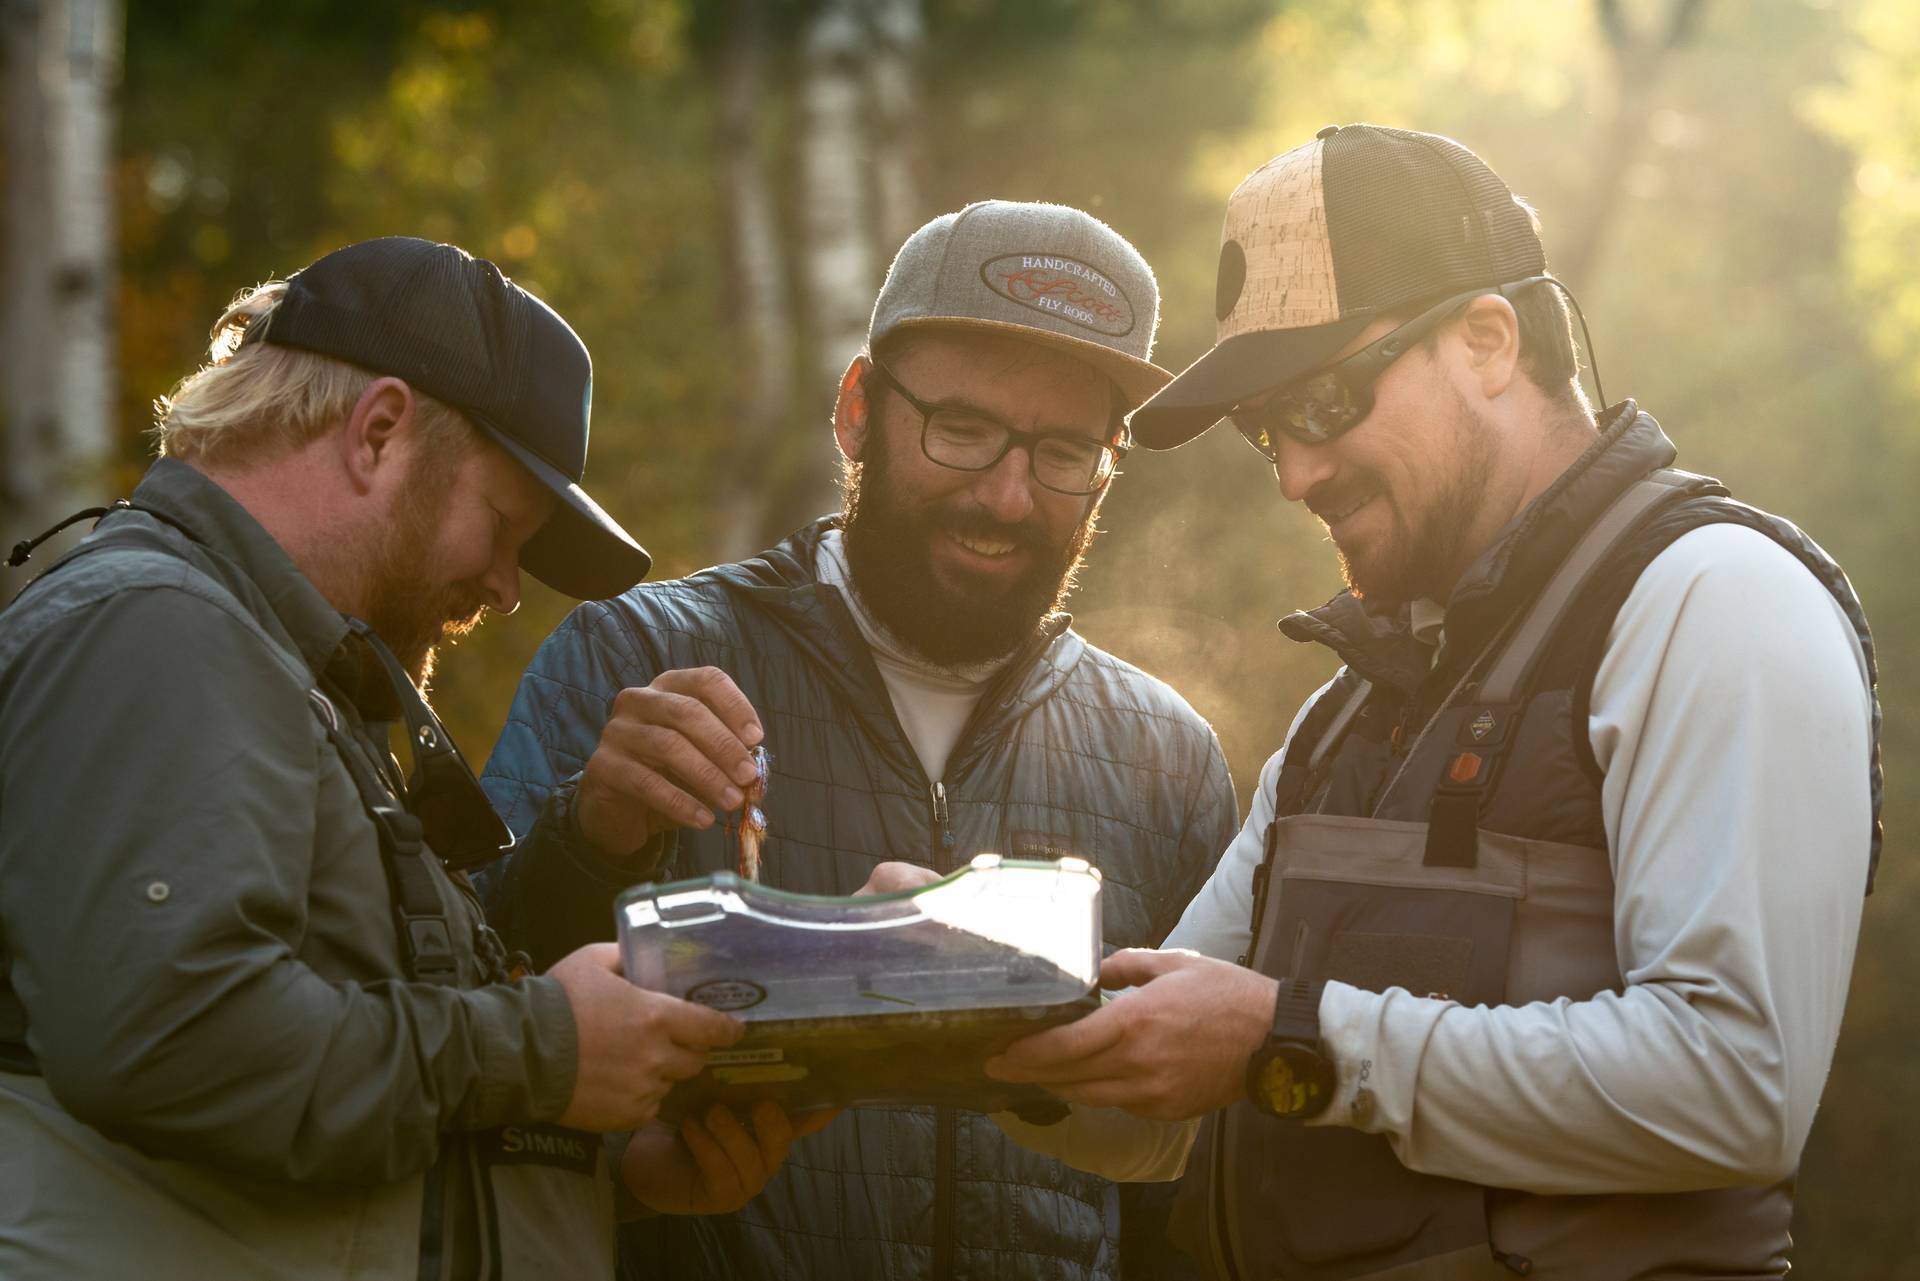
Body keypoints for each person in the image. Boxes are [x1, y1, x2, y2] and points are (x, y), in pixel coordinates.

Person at [981, 124, 1882, 1279]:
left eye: (1322, 401)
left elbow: (1735, 1088)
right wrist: (954, 995)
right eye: (1268, 432)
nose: (1297, 473)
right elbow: (1154, 1110)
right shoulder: (1341, 718)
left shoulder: (1717, 601)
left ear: (1489, 339)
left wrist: (1290, 1040)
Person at [0, 237, 823, 1281]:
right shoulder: (158, 631)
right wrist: (548, 1051)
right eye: (503, 524)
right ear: (380, 431)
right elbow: (176, 1042)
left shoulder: (270, 670)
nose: (506, 588)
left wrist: (613, 1168)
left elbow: (360, 1099)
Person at [479, 201, 1238, 1280]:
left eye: (1065, 450)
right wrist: (589, 838)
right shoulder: (631, 659)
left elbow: (1197, 1181)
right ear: (858, 411)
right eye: (962, 429)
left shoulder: (1167, 756)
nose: (1008, 493)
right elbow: (462, 1029)